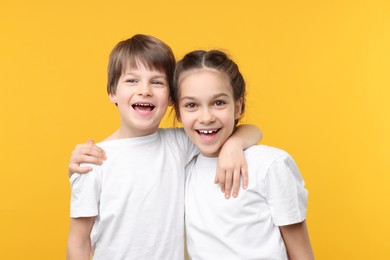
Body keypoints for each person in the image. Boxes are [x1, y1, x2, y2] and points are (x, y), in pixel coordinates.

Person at [66, 35, 262, 260]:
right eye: (132, 80)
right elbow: (78, 243)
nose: (145, 90)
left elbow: (251, 130)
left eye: (157, 82)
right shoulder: (93, 160)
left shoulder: (178, 144)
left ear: (171, 97)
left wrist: (234, 146)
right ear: (112, 92)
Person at [172, 50, 315, 259]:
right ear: (178, 112)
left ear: (238, 107)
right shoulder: (181, 166)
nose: (206, 117)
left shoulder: (270, 165)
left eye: (218, 102)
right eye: (191, 105)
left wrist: (235, 144)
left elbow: (302, 253)